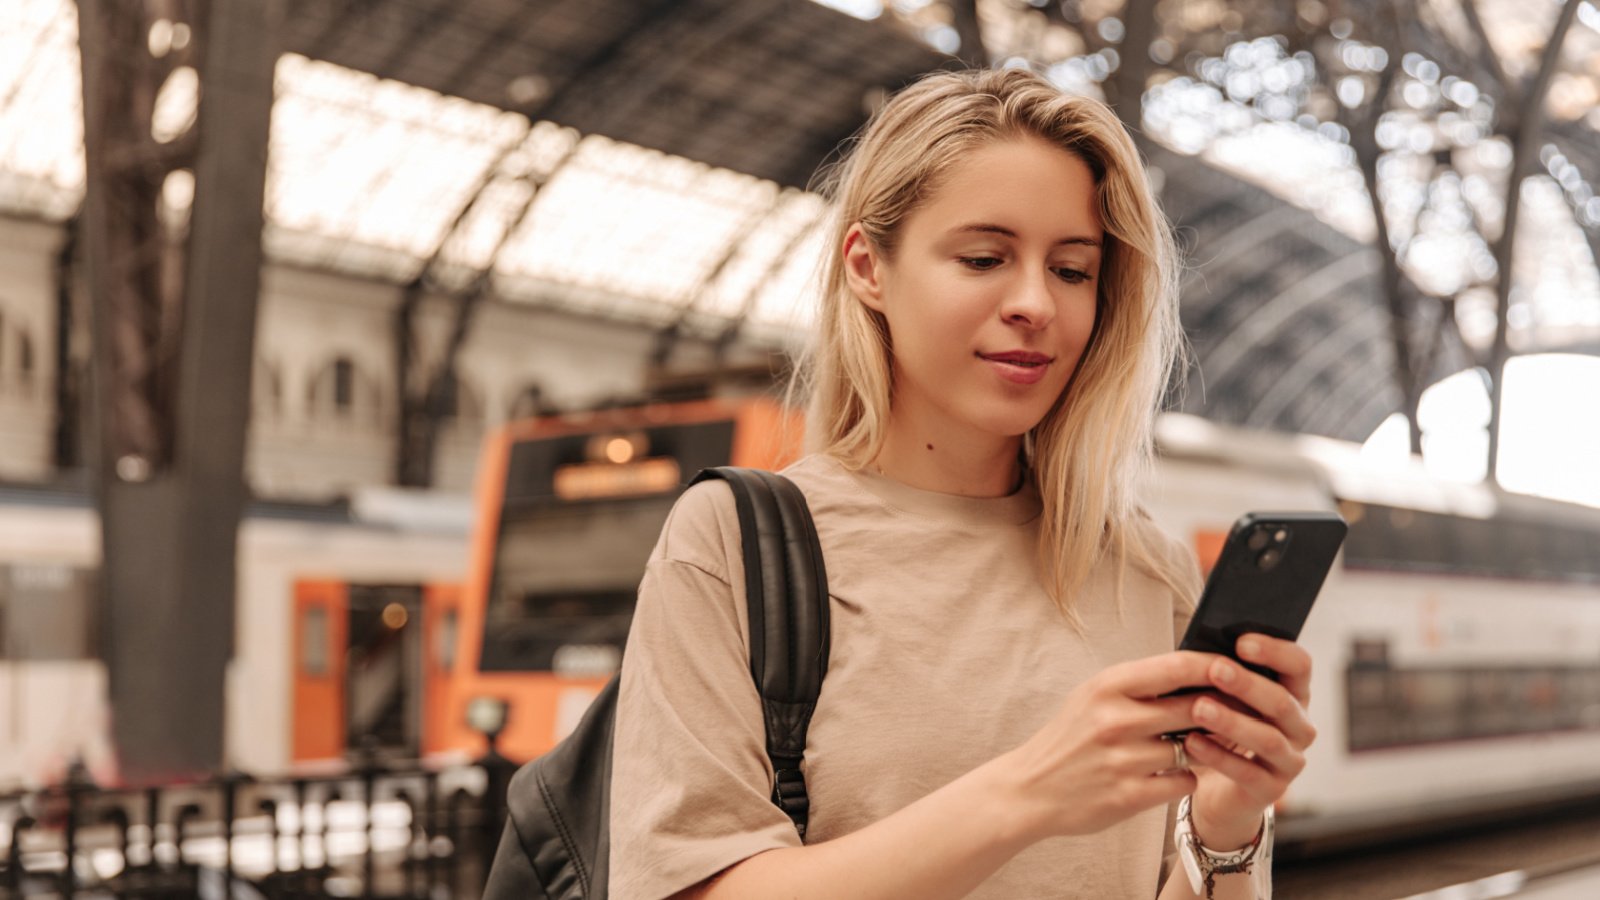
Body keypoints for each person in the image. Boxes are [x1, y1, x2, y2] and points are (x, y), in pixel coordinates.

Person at [608, 68, 1316, 900]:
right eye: (984, 257)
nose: (1034, 303)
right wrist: (1028, 794)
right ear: (868, 267)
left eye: (1073, 270)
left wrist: (1228, 823)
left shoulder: (1146, 570)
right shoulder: (736, 542)